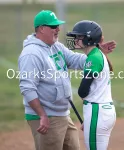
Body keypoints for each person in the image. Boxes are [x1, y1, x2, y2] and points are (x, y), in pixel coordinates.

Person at [18, 10, 116, 150]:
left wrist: (95, 51)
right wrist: (42, 115)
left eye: (58, 25)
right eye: (53, 26)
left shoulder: (56, 46)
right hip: (47, 117)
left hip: (63, 114)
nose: (58, 29)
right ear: (41, 28)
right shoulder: (31, 54)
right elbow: (27, 88)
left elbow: (76, 60)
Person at [66, 20, 116, 150]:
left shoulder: (93, 58)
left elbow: (83, 91)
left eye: (79, 36)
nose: (75, 39)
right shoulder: (97, 54)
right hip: (102, 111)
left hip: (97, 112)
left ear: (89, 38)